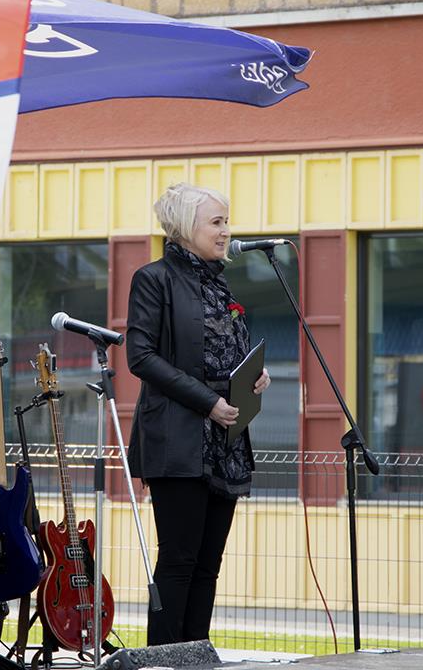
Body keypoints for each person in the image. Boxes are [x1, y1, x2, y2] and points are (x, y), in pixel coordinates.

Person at [126, 182, 270, 646]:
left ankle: (195, 653)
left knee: (208, 565)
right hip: (179, 442)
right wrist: (208, 401)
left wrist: (252, 376)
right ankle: (164, 657)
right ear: (187, 227)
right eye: (217, 222)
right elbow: (141, 357)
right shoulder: (154, 279)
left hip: (224, 442)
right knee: (179, 561)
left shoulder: (218, 283)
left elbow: (222, 352)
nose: (226, 231)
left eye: (227, 221)